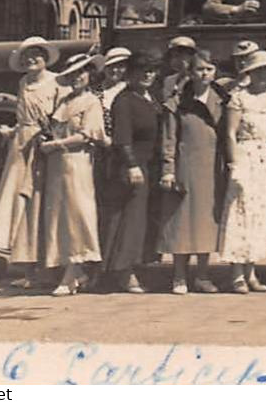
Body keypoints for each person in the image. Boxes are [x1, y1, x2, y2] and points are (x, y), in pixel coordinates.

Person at [0, 36, 62, 287]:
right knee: (19, 202)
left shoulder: (57, 81)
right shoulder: (23, 82)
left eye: (36, 54)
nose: (31, 59)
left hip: (44, 142)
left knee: (42, 200)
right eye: (26, 55)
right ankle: (27, 270)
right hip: (22, 143)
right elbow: (24, 114)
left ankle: (48, 268)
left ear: (46, 57)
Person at [39, 51, 107, 296]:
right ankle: (72, 269)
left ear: (90, 75)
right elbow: (54, 129)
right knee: (59, 216)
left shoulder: (91, 102)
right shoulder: (64, 102)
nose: (78, 77)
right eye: (73, 73)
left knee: (77, 214)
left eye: (82, 72)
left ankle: (73, 271)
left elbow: (86, 135)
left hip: (77, 163)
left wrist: (55, 145)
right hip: (58, 165)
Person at [158, 48, 225, 295]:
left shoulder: (222, 99)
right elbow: (169, 138)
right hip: (185, 165)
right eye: (200, 69)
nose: (204, 74)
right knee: (181, 222)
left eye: (209, 69)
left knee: (206, 222)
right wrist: (168, 169)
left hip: (211, 169)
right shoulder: (177, 102)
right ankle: (178, 276)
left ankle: (203, 275)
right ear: (191, 71)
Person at [218, 47, 266, 294]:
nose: (264, 75)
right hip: (245, 155)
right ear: (249, 73)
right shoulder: (239, 97)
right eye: (259, 70)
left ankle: (251, 271)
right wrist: (234, 164)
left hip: (265, 157)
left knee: (260, 214)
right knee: (241, 212)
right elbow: (230, 133)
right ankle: (236, 275)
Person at [104, 51, 163, 294]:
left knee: (140, 220)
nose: (148, 75)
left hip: (149, 166)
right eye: (142, 70)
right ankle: (123, 272)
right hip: (132, 167)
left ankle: (134, 266)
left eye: (151, 70)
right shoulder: (125, 100)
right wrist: (131, 165)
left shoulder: (150, 97)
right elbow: (122, 138)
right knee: (129, 220)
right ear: (131, 74)